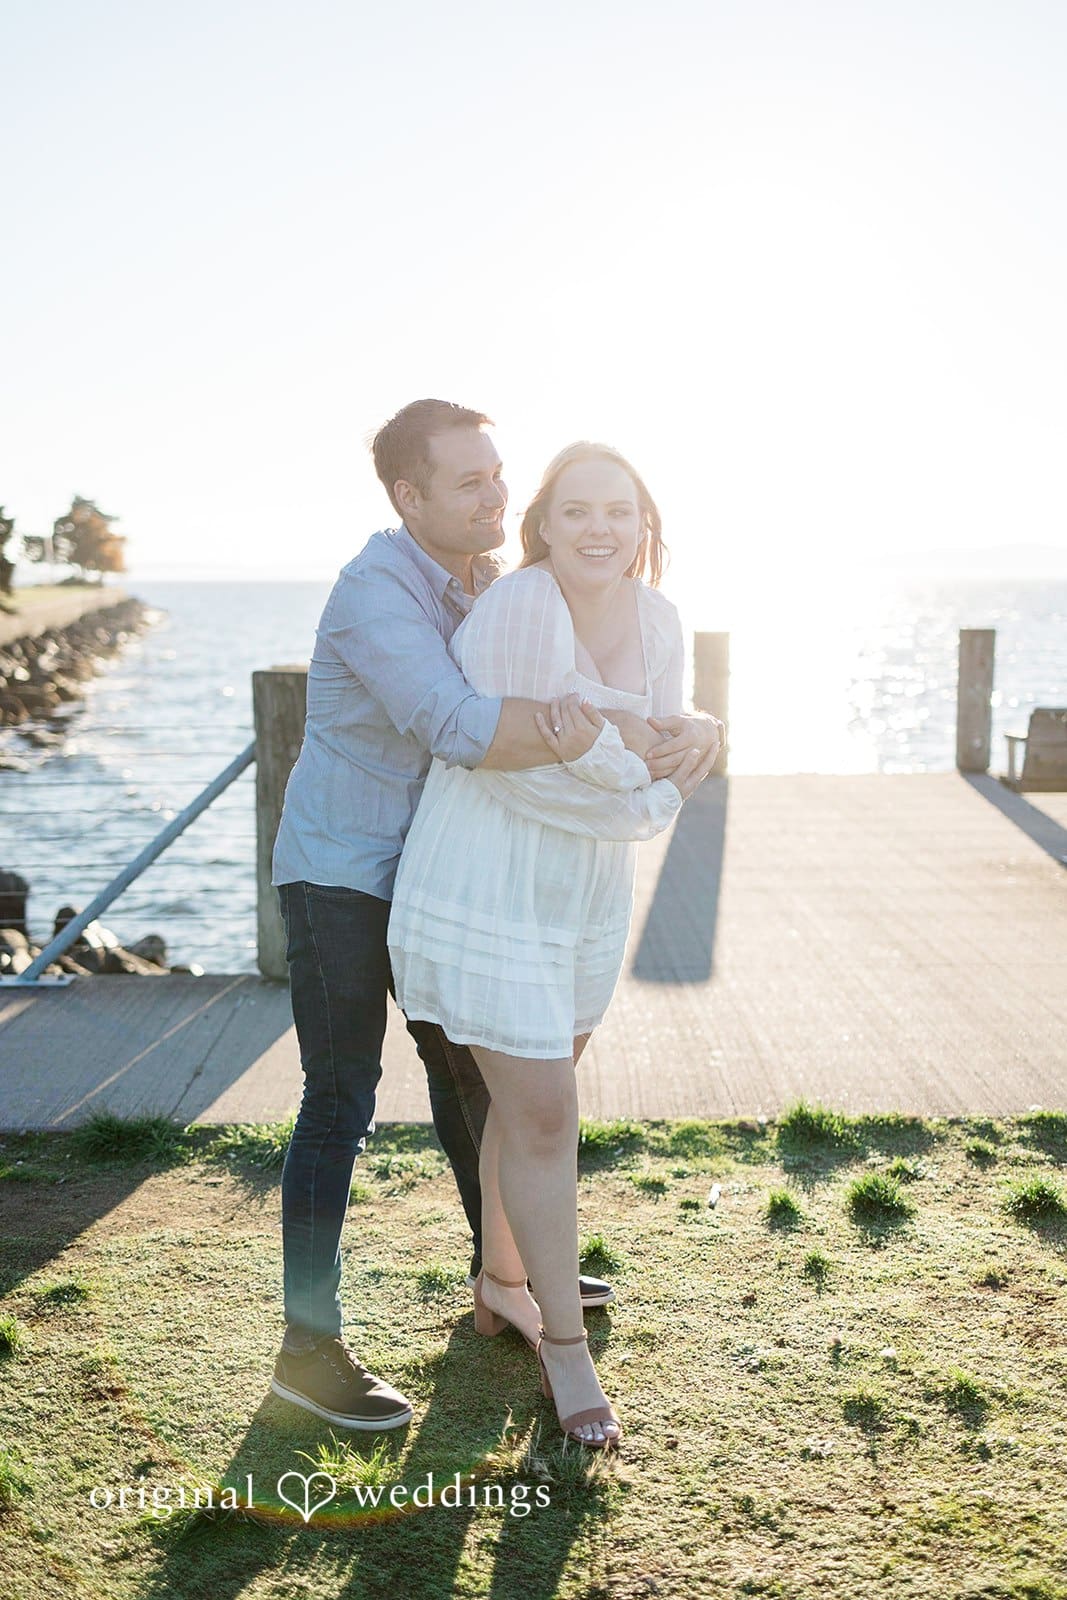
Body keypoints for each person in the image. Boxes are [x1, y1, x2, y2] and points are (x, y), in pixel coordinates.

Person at [269, 402, 722, 1432]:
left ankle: (504, 1277)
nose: (495, 497)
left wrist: (681, 723)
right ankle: (309, 1347)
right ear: (408, 496)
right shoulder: (372, 590)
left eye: (497, 474)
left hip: (447, 865)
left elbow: (578, 684)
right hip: (346, 869)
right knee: (338, 1099)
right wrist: (638, 734)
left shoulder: (489, 580)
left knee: (473, 1078)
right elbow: (462, 726)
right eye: (469, 482)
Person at [388, 441, 714, 1448]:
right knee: (542, 1112)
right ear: (542, 526)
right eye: (575, 511)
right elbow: (514, 767)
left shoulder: (660, 620)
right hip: (485, 879)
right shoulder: (520, 607)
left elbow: (657, 738)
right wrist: (661, 781)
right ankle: (564, 1353)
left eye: (617, 509)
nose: (598, 530)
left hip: (579, 895)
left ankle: (500, 1280)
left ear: (643, 521)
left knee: (530, 1102)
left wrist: (691, 735)